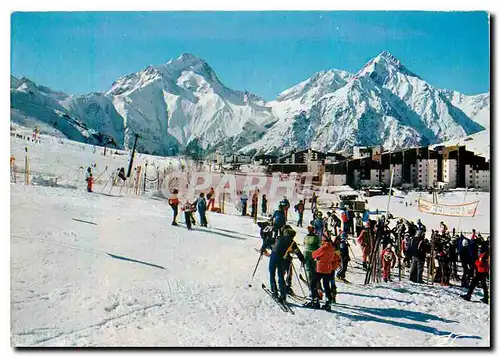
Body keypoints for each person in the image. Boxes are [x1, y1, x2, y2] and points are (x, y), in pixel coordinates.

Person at [268, 225, 304, 303]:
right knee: (281, 276)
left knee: (272, 274)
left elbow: (270, 242)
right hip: (282, 259)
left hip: (274, 257)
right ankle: (283, 296)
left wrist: (263, 248)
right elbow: (298, 253)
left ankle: (274, 292)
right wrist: (302, 260)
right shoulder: (292, 243)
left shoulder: (279, 237)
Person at [304, 235, 341, 311]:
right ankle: (328, 302)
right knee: (326, 285)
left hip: (321, 268)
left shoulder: (324, 247)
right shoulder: (332, 247)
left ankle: (315, 301)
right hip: (328, 269)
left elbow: (314, 254)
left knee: (313, 282)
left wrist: (316, 254)